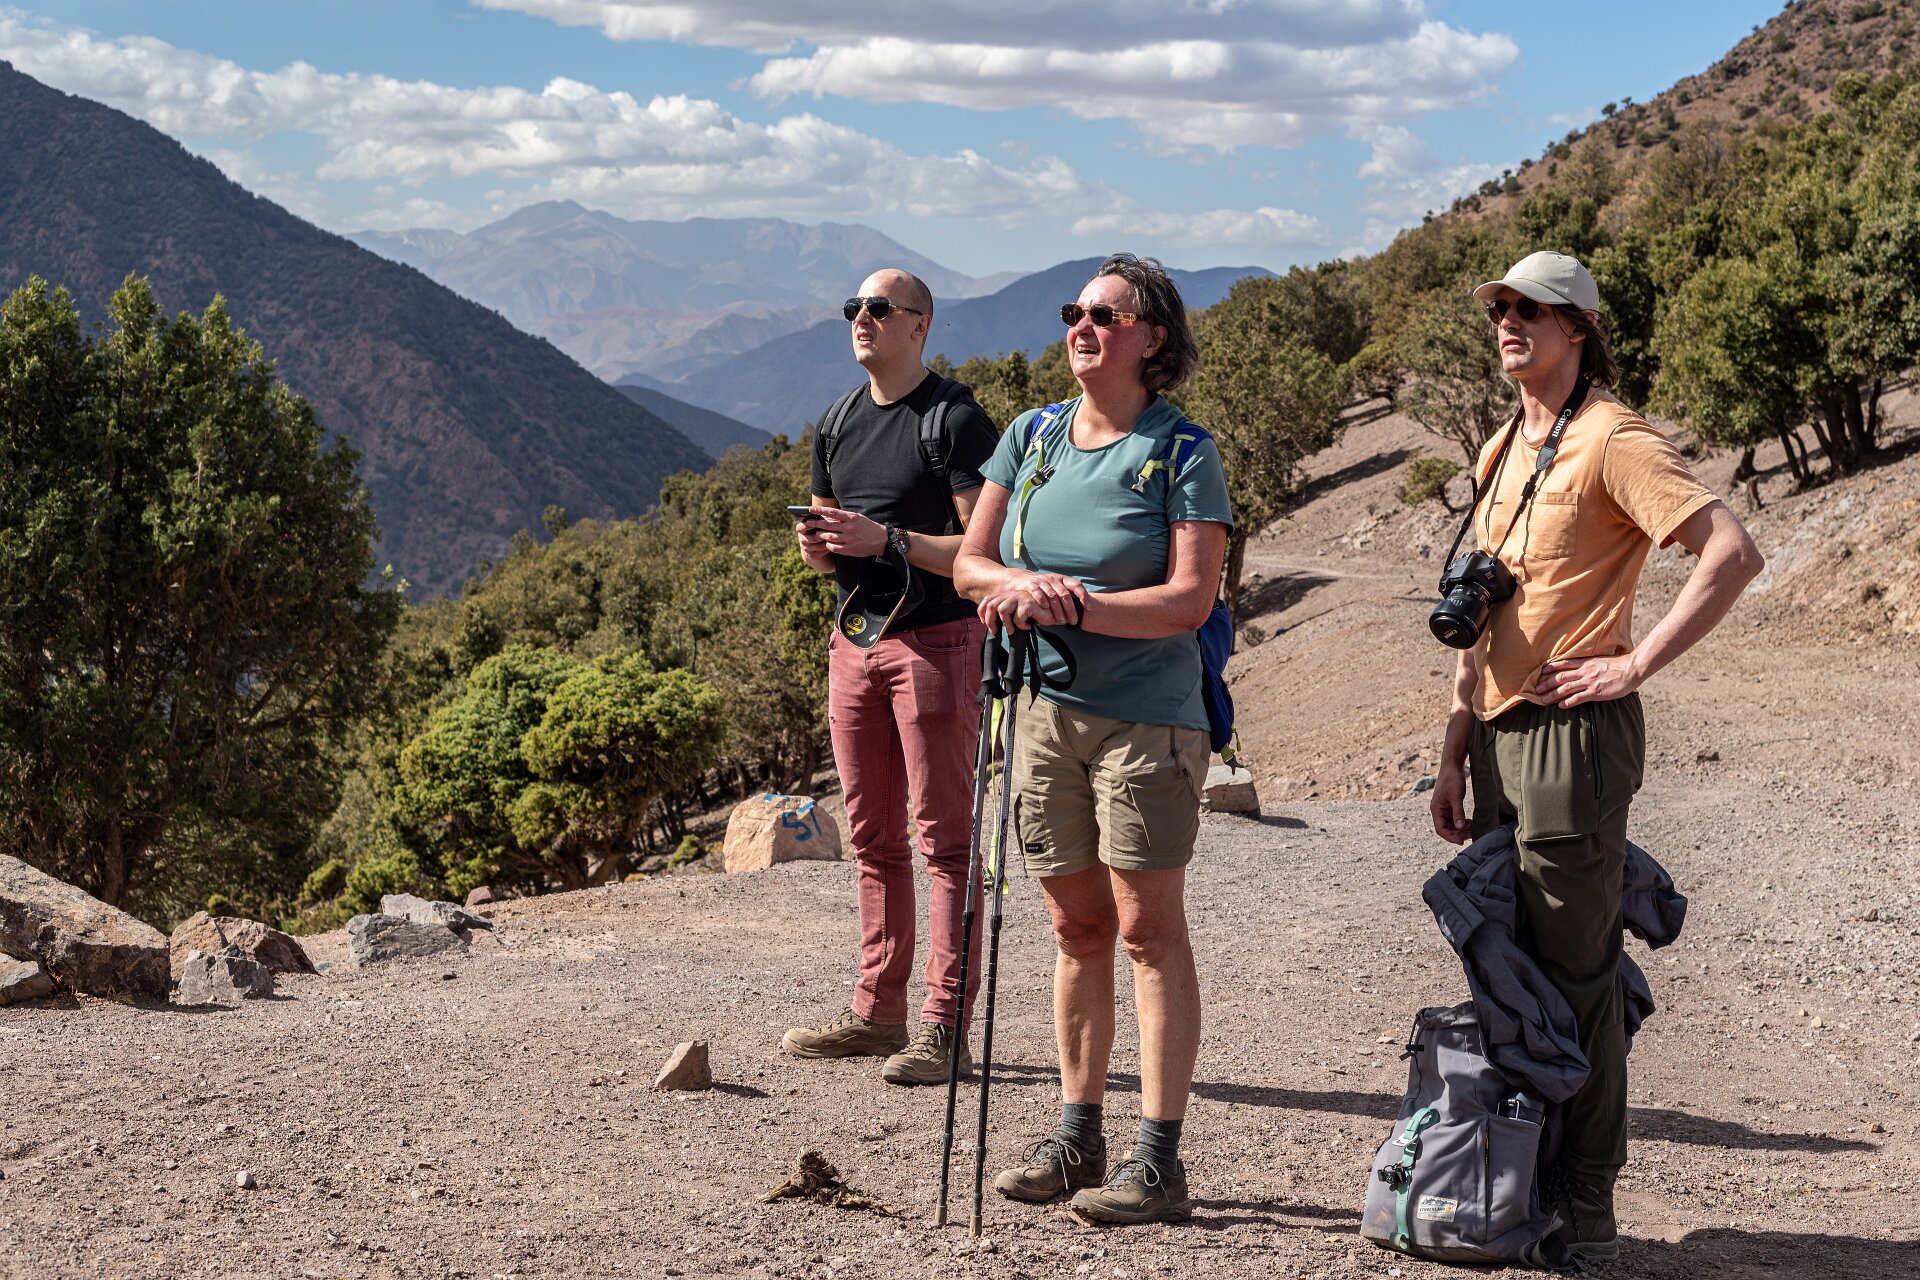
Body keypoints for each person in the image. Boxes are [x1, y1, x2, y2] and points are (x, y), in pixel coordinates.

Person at [1428, 251, 1764, 1261]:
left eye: (1531, 309)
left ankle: (1585, 1201)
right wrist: (1453, 743)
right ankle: (1523, 1177)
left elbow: (1731, 550)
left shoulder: (1614, 437)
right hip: (1498, 734)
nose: (1509, 321)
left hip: (1572, 736)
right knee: (1512, 964)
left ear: (1578, 328)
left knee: (1576, 976)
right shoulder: (1502, 445)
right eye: (1500, 306)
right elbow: (1482, 609)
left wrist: (1636, 662)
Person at [952, 253, 1231, 1226]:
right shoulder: (1030, 438)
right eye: (1076, 310)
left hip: (1149, 718)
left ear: (1152, 337)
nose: (1082, 325)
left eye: (1106, 315)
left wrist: (1074, 605)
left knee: (1148, 931)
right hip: (1040, 713)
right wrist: (1017, 588)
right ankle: (1078, 1136)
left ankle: (1158, 1160)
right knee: (1076, 928)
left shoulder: (1183, 451)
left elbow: (1190, 600)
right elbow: (972, 567)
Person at [781, 269, 1000, 1086]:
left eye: (880, 308)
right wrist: (819, 546)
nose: (862, 318)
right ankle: (878, 1014)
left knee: (945, 843)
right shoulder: (837, 422)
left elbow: (985, 553)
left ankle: (943, 1027)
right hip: (854, 645)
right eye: (854, 308)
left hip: (939, 645)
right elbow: (828, 543)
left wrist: (891, 541)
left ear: (920, 326)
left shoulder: (955, 421)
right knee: (873, 839)